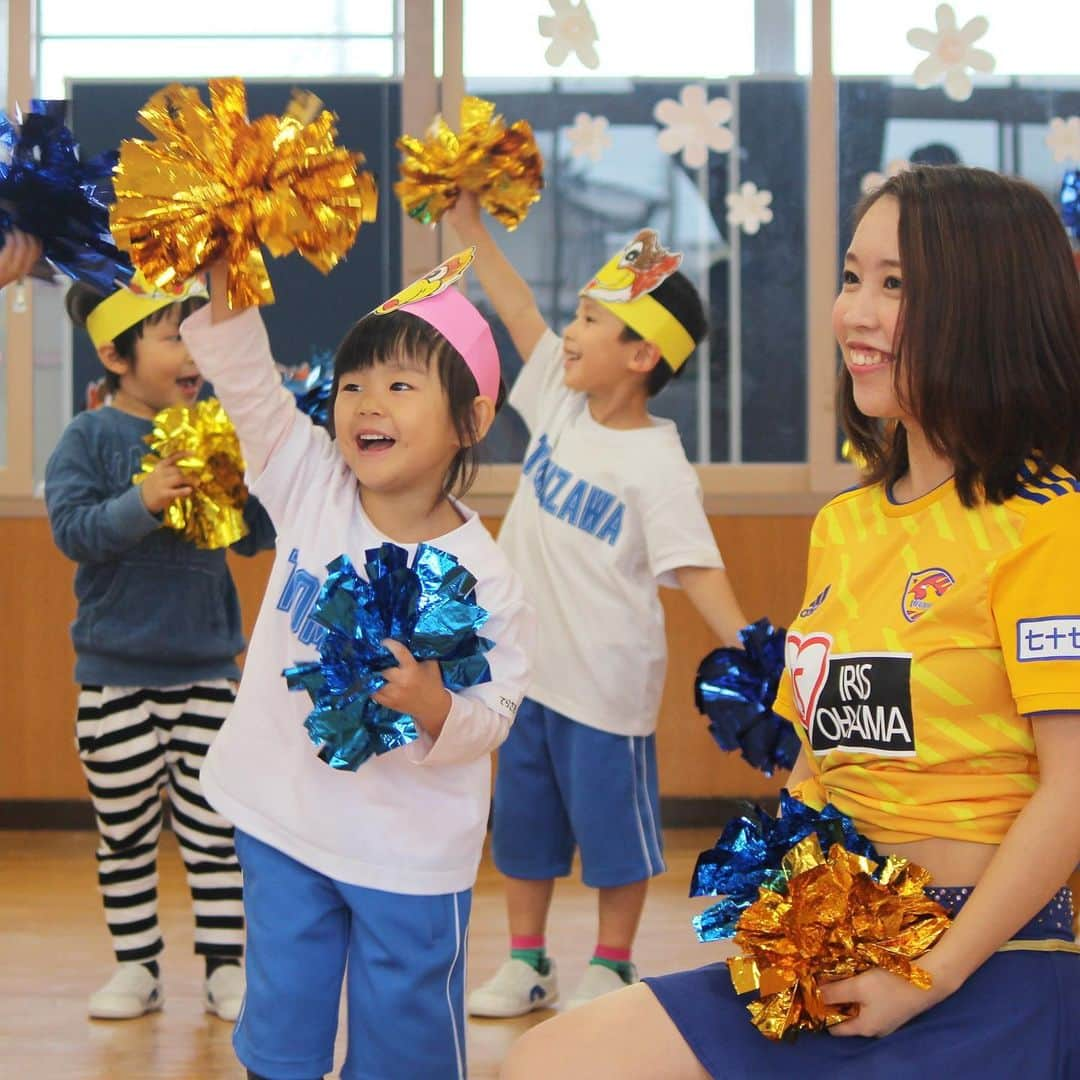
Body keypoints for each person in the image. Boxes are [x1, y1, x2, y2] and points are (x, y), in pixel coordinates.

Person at [500, 165, 1080, 1078]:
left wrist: (926, 975)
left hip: (991, 963)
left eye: (897, 285)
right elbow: (818, 760)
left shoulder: (1048, 522)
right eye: (853, 277)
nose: (856, 312)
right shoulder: (844, 526)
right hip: (838, 952)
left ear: (987, 306)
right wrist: (783, 936)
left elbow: (1072, 791)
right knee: (547, 1063)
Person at [178, 250, 534, 1080]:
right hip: (285, 821)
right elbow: (252, 393)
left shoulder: (487, 575)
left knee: (405, 1040)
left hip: (404, 855)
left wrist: (436, 705)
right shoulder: (310, 483)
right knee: (281, 1033)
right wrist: (227, 287)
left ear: (472, 420)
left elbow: (498, 713)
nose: (367, 403)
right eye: (352, 385)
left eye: (401, 386)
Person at [446, 194, 748, 1017]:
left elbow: (699, 570)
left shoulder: (657, 465)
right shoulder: (558, 399)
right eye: (575, 313)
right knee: (524, 833)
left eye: (589, 317)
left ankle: (612, 965)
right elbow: (513, 307)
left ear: (643, 352)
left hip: (606, 693)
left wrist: (759, 649)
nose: (568, 331)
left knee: (614, 845)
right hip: (524, 678)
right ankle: (528, 961)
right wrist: (472, 231)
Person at [44, 275, 276, 1022]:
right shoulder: (88, 437)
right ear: (116, 354)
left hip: (208, 668)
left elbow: (252, 541)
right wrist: (141, 502)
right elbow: (73, 532)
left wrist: (251, 494)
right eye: (176, 337)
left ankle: (224, 965)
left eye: (198, 337)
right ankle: (136, 966)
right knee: (124, 834)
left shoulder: (213, 426)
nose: (193, 354)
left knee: (216, 832)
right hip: (114, 678)